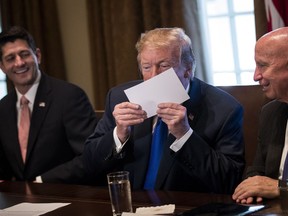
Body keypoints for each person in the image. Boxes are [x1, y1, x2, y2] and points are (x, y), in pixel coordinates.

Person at [84, 27, 244, 194]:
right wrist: (118, 135)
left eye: (164, 66)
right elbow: (88, 165)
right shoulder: (120, 97)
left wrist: (184, 135)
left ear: (188, 69)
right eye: (146, 67)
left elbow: (229, 180)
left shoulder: (225, 109)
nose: (154, 76)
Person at [0, 26, 98, 184]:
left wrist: (40, 181)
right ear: (2, 67)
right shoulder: (2, 108)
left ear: (37, 56)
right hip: (19, 202)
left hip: (65, 196)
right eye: (10, 58)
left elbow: (90, 155)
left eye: (24, 54)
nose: (19, 63)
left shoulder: (69, 97)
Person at [232, 27, 288, 204]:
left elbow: (275, 185)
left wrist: (281, 187)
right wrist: (252, 188)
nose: (256, 76)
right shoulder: (270, 112)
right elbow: (257, 169)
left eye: (262, 65)